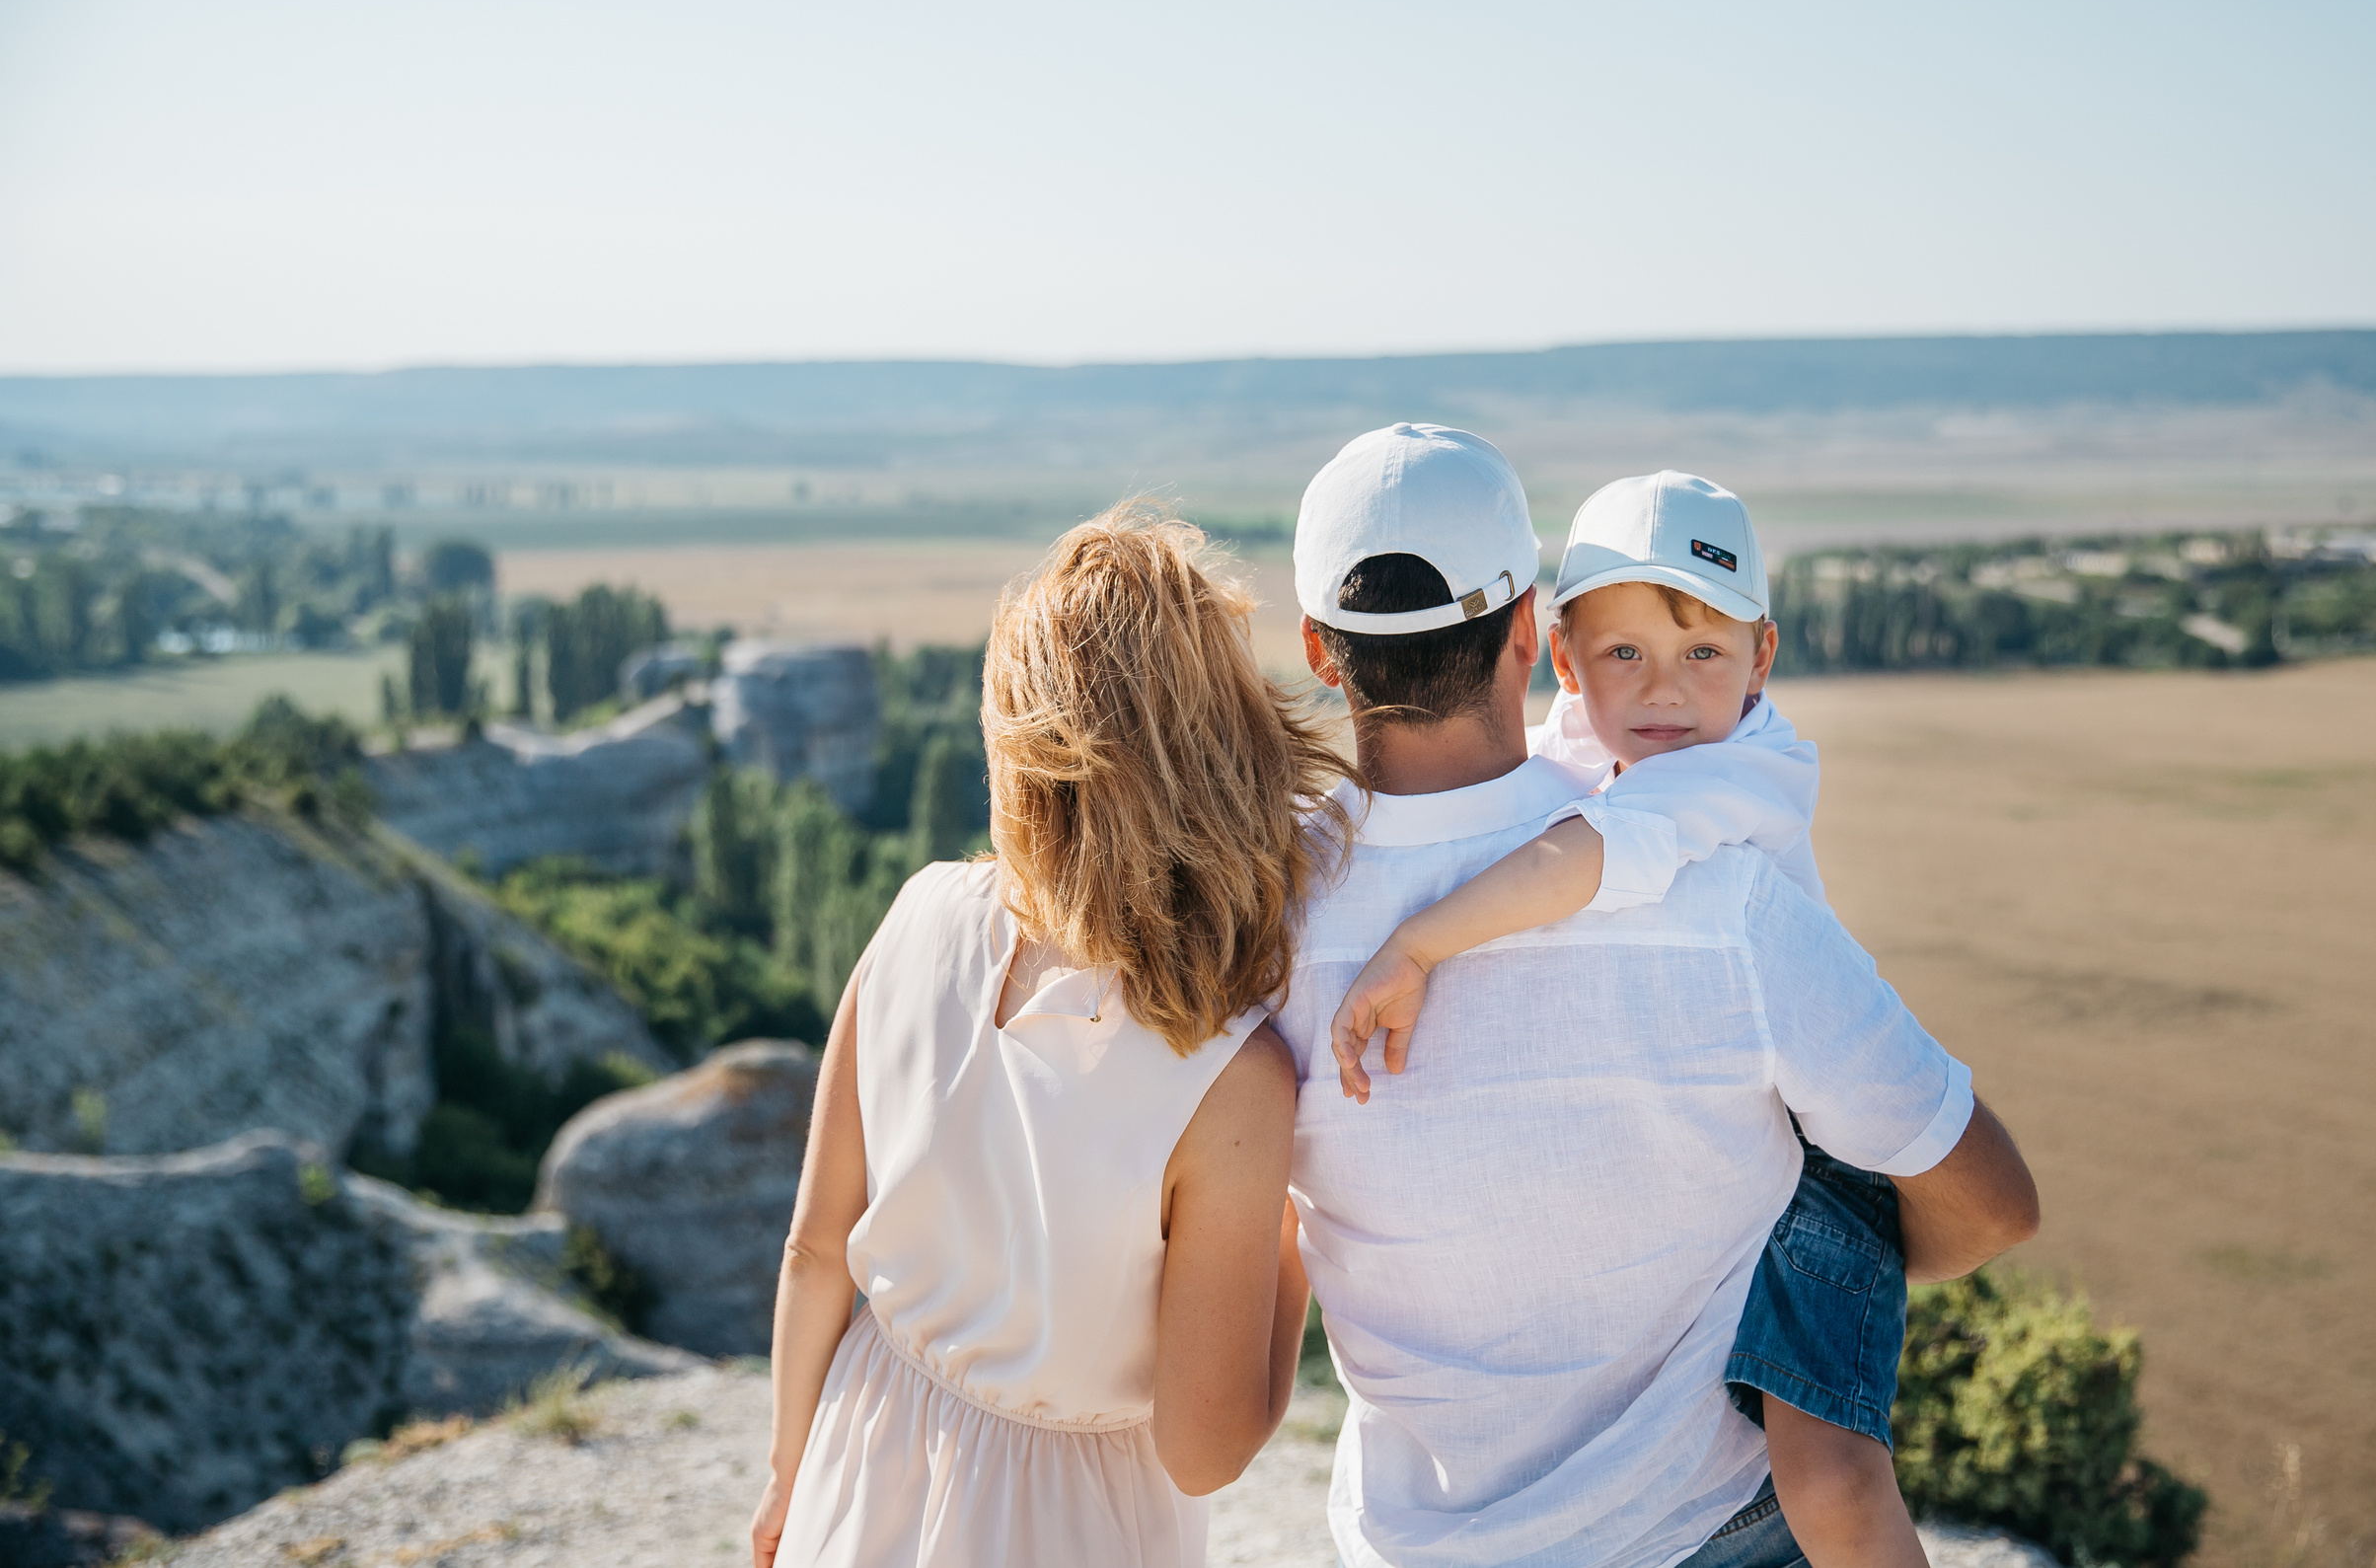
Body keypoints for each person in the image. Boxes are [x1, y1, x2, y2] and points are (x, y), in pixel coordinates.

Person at [1281, 423, 2042, 1568]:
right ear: (1541, 637)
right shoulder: (1712, 890)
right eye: (1627, 653)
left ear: (1317, 647)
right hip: (1710, 1528)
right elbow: (1994, 1205)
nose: (1666, 692)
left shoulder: (1252, 922)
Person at [750, 503, 1349, 1568]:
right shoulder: (1231, 1077)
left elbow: (812, 1250)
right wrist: (1299, 1255)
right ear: (1223, 746)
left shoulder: (918, 912)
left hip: (861, 1457)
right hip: (1073, 1529)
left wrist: (789, 1481)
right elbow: (1202, 1450)